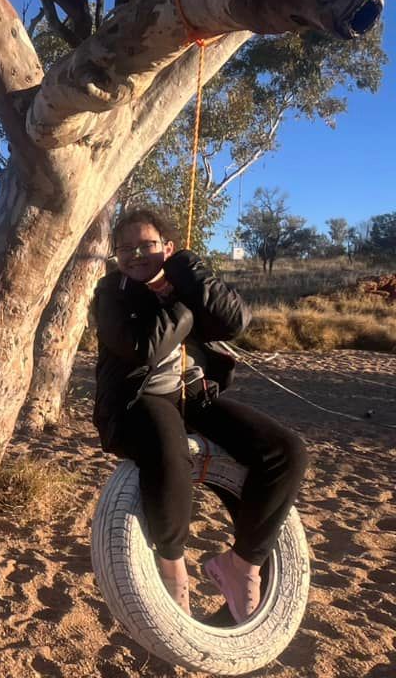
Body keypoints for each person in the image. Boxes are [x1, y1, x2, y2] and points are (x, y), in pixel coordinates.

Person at [91, 208, 307, 621]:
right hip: (138, 401)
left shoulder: (185, 277)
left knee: (286, 452)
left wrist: (190, 274)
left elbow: (235, 322)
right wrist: (179, 303)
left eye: (146, 245)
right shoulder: (110, 292)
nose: (136, 255)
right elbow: (142, 348)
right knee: (170, 449)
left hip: (196, 399)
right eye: (125, 249)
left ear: (167, 247)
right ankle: (172, 567)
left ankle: (242, 564)